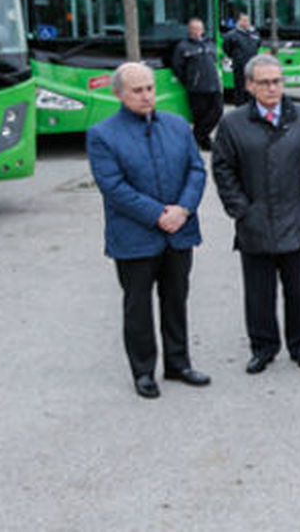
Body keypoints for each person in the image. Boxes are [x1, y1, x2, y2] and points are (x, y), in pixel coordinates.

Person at [86, 62, 211, 399]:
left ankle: (178, 363)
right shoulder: (102, 135)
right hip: (134, 238)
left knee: (176, 300)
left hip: (178, 231)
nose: (146, 96)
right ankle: (143, 370)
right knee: (138, 306)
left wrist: (183, 209)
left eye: (150, 89)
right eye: (137, 90)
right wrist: (158, 215)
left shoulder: (177, 126)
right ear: (119, 94)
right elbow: (114, 187)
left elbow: (196, 171)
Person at [212, 54, 300, 373]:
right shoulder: (233, 123)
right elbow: (223, 168)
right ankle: (263, 348)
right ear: (250, 85)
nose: (272, 88)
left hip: (297, 219)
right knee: (258, 294)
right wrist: (240, 209)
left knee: (298, 291)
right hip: (255, 223)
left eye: (277, 81)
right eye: (264, 82)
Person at [170, 17, 223, 150]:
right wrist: (189, 81)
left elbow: (215, 60)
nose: (197, 31)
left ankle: (196, 137)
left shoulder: (210, 43)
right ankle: (204, 142)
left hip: (213, 85)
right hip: (197, 88)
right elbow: (177, 66)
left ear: (203, 29)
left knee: (217, 111)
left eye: (199, 28)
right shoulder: (183, 46)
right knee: (200, 117)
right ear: (189, 30)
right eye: (194, 29)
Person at [222, 13, 261, 106]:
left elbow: (258, 45)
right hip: (240, 67)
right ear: (238, 21)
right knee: (240, 90)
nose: (246, 22)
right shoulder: (231, 35)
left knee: (253, 89)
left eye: (247, 20)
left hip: (253, 67)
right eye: (243, 20)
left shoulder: (254, 33)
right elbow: (226, 48)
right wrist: (237, 58)